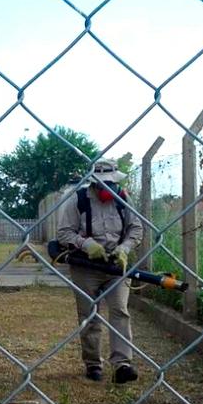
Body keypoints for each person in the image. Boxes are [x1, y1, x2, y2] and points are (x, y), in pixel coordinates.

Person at [56, 159, 143, 384]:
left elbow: (136, 228)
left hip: (115, 265)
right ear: (94, 183)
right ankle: (93, 363)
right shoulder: (78, 200)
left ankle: (122, 364)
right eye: (103, 184)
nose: (108, 188)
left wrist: (125, 248)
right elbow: (63, 233)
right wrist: (86, 244)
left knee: (120, 311)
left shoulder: (123, 199)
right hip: (86, 266)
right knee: (89, 315)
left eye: (112, 184)